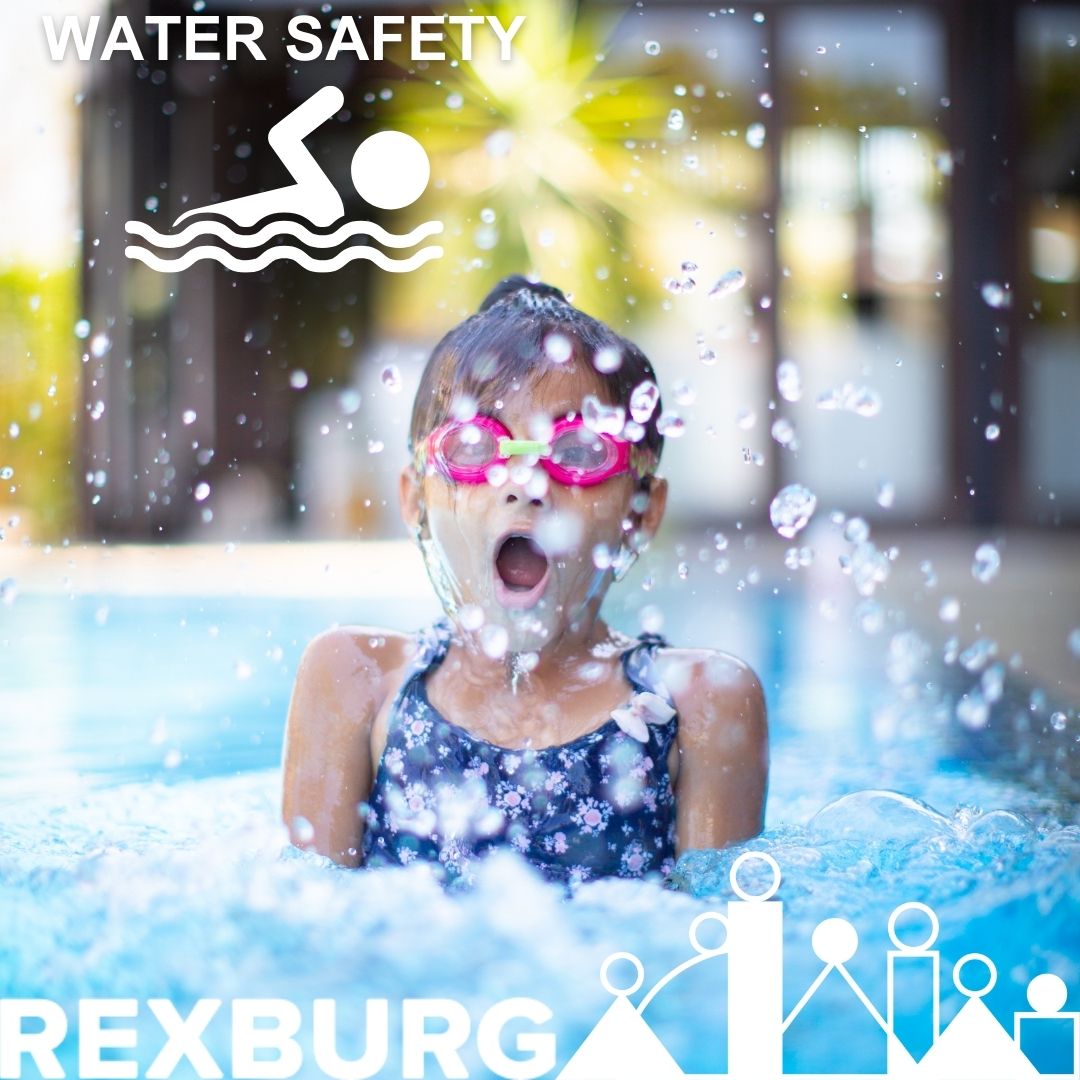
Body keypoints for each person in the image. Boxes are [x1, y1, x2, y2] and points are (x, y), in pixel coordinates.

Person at [281, 276, 768, 887]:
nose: (525, 483)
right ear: (415, 500)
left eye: (582, 452)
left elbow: (722, 951)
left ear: (642, 511)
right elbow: (309, 933)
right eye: (474, 446)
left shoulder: (700, 701)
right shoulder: (356, 680)